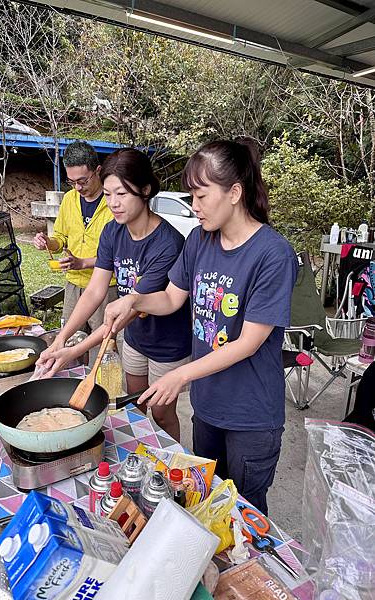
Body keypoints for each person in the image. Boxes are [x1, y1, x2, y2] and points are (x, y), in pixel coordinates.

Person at [103, 139, 298, 515]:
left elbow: (248, 343)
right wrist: (136, 301)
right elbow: (173, 299)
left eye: (201, 195)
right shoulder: (199, 240)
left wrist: (180, 376)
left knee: (245, 513)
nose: (193, 206)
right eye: (191, 195)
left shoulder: (272, 254)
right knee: (206, 501)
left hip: (250, 415)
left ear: (235, 193)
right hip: (207, 407)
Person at [37, 148, 192, 441]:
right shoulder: (112, 232)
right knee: (137, 403)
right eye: (108, 195)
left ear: (145, 190)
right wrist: (60, 339)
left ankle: (171, 458)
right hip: (136, 338)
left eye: (121, 194)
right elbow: (95, 290)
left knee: (161, 412)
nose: (114, 203)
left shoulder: (168, 244)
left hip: (167, 343)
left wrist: (74, 351)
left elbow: (128, 311)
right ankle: (143, 452)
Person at [33, 141, 117, 331]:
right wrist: (49, 242)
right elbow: (61, 237)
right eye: (72, 182)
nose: (77, 187)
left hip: (106, 286)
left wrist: (84, 262)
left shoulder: (114, 202)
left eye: (82, 181)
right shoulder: (70, 199)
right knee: (70, 340)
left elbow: (120, 253)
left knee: (102, 344)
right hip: (73, 284)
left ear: (98, 170)